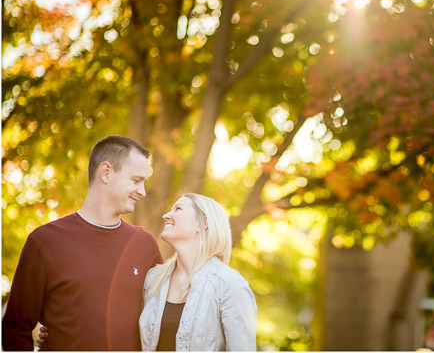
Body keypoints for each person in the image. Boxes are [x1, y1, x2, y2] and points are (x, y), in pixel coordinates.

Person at [2, 135, 163, 351]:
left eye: (144, 183)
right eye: (136, 181)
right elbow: (15, 330)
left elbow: (166, 315)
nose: (142, 191)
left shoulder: (145, 245)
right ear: (106, 173)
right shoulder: (45, 241)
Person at [138, 193, 257, 351]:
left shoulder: (230, 285)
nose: (166, 215)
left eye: (178, 209)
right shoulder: (153, 279)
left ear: (203, 223)